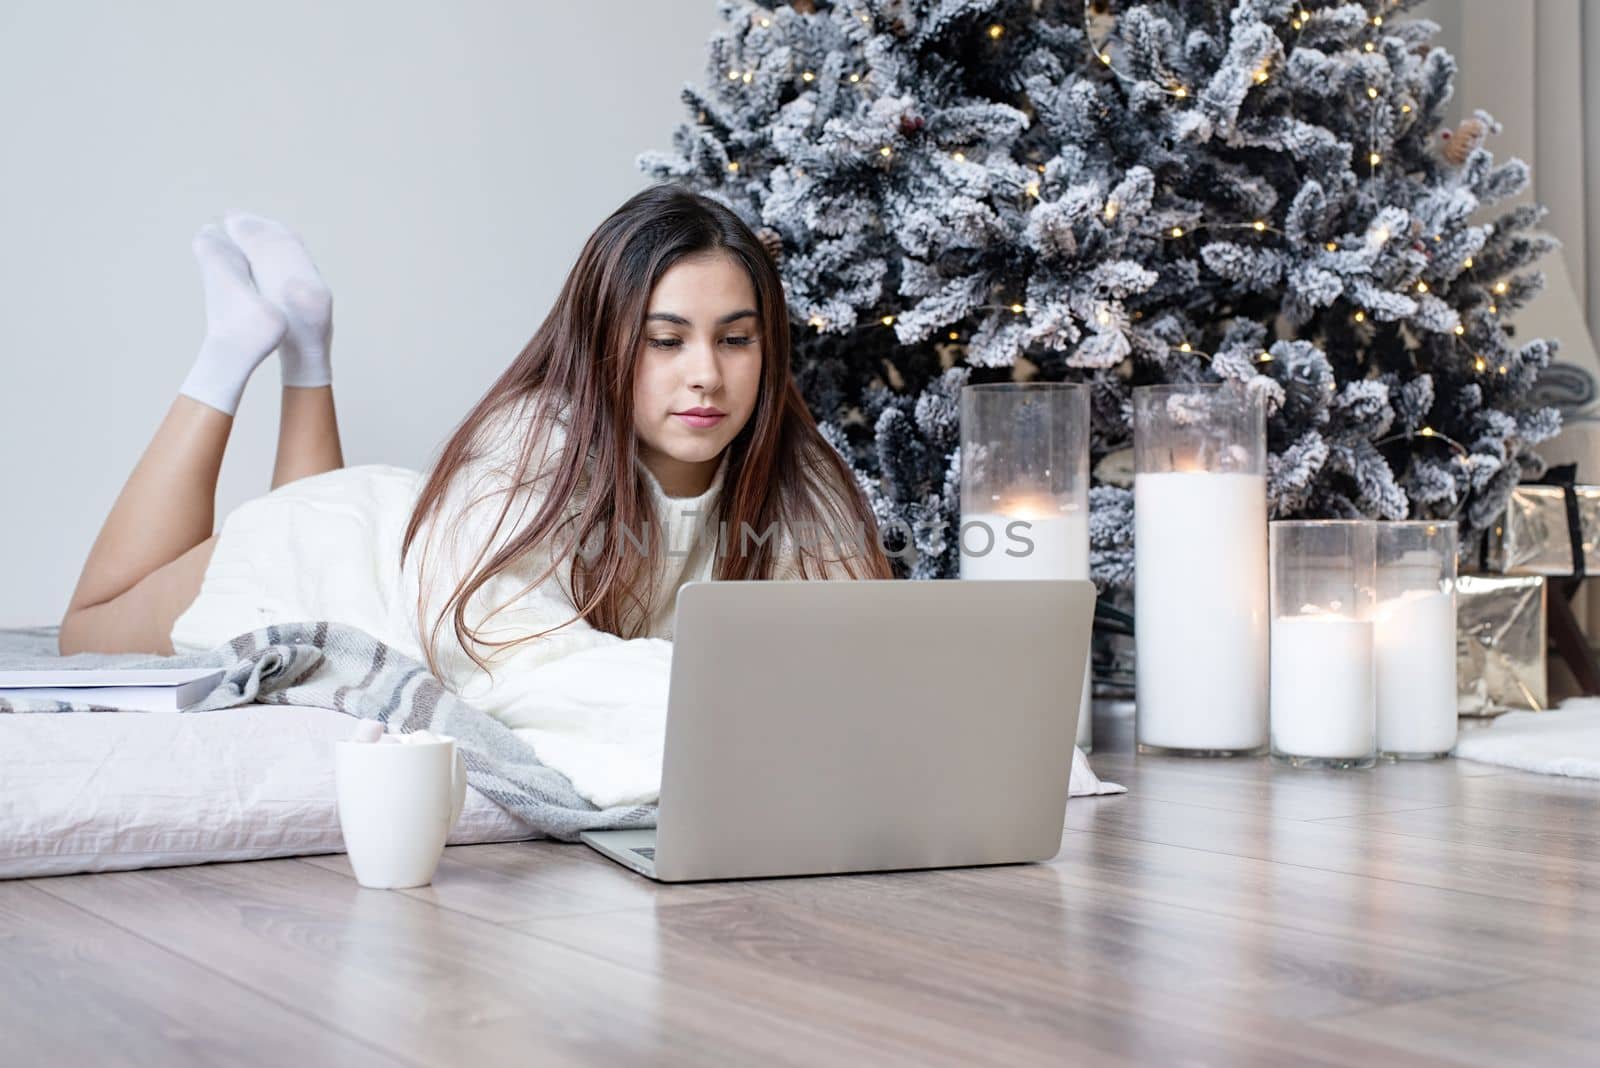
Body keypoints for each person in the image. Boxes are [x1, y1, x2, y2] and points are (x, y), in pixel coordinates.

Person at [58, 185, 893, 730]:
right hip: (336, 557)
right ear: (606, 343)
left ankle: (308, 340)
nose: (705, 375)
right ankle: (233, 346)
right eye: (665, 341)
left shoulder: (797, 478)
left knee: (319, 502)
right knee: (84, 630)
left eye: (736, 340)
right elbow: (522, 667)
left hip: (407, 536)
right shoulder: (538, 441)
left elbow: (867, 659)